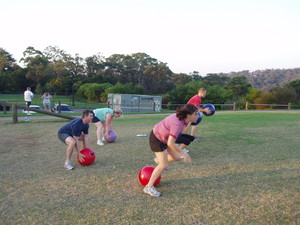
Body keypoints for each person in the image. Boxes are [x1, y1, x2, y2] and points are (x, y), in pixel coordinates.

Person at [143, 104, 199, 197]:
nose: (197, 116)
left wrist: (190, 121)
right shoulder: (177, 124)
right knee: (164, 164)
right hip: (157, 138)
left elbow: (184, 130)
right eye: (195, 114)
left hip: (165, 137)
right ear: (188, 115)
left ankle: (158, 160)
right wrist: (184, 153)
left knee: (177, 157)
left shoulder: (183, 119)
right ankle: (148, 187)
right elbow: (170, 143)